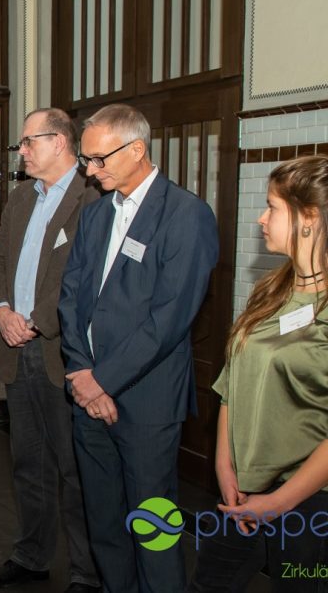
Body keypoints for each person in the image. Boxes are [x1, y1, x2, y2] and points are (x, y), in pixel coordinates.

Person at [58, 103, 218, 592]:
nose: (90, 170)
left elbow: (169, 319)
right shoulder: (95, 215)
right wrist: (84, 375)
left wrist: (100, 379)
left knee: (153, 526)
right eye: (86, 160)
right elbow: (71, 299)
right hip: (88, 394)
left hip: (146, 400)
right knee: (105, 521)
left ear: (137, 150)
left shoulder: (185, 215)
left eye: (98, 159)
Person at [187, 155, 328, 593]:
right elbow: (234, 383)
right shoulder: (272, 288)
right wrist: (225, 468)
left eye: (272, 207)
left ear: (308, 217)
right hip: (241, 493)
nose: (262, 219)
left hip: (307, 503)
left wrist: (278, 503)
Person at [0, 108, 101, 593]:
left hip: (62, 352)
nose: (22, 151)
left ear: (61, 142)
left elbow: (85, 276)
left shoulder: (91, 197)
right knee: (28, 464)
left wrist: (36, 321)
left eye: (29, 142)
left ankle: (87, 573)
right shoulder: (21, 198)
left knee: (74, 469)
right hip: (16, 349)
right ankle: (31, 556)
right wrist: (4, 310)